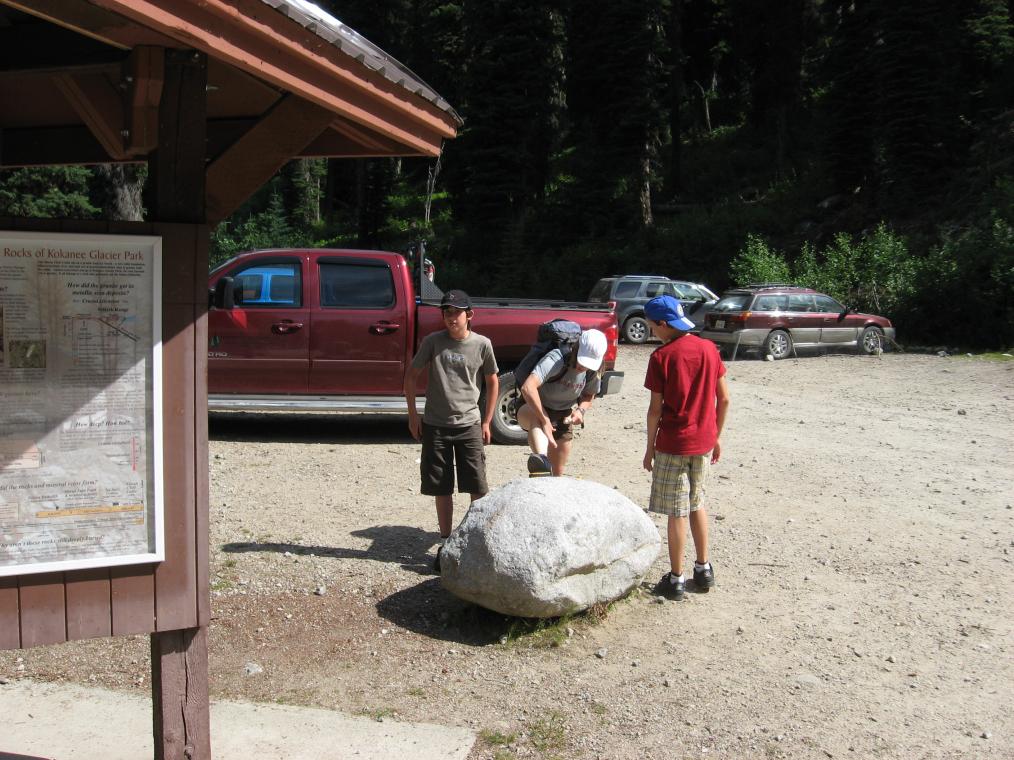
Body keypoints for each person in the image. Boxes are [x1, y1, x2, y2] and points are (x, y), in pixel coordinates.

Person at [641, 295, 730, 600]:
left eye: (652, 326)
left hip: (673, 444)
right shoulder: (709, 349)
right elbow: (725, 399)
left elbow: (655, 409)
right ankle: (704, 569)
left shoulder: (662, 357)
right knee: (697, 503)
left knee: (676, 512)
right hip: (703, 443)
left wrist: (649, 448)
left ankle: (676, 579)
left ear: (663, 324)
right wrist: (715, 436)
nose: (652, 330)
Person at [404, 289, 499, 571]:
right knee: (441, 486)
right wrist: (412, 415)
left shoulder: (482, 344)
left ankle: (475, 540)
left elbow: (492, 381)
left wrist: (487, 420)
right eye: (446, 312)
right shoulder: (433, 342)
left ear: (469, 315)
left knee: (477, 486)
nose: (450, 317)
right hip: (435, 424)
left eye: (456, 312)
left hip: (469, 424)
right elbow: (411, 375)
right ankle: (446, 542)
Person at [516, 329, 607, 477]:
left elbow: (589, 395)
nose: (582, 367)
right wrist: (545, 419)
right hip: (533, 407)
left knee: (558, 473)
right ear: (576, 349)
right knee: (537, 419)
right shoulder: (557, 358)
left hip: (563, 415)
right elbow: (528, 387)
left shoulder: (593, 370)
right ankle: (541, 461)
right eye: (581, 360)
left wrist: (580, 411)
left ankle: (549, 478)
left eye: (588, 364)